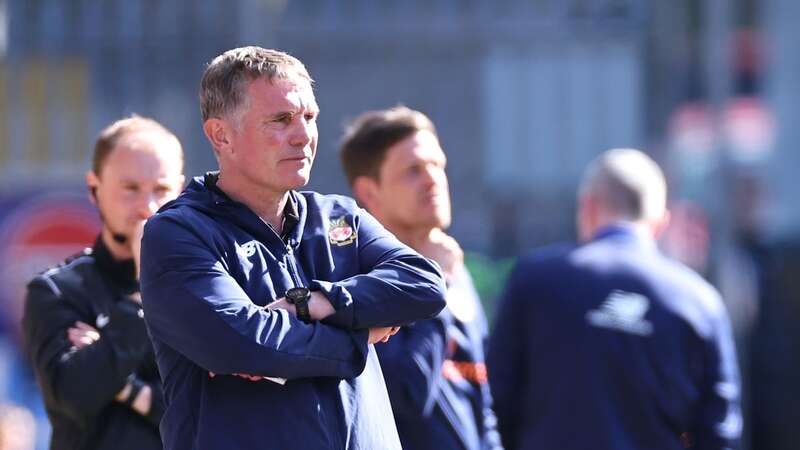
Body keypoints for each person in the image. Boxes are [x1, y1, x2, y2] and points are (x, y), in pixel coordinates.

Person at [138, 47, 447, 450]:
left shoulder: (339, 218)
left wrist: (315, 303)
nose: (303, 135)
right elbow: (246, 342)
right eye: (281, 120)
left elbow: (425, 283)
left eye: (309, 117)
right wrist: (359, 335)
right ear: (221, 135)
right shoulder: (178, 234)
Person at [487, 148, 742, 450]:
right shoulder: (700, 302)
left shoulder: (534, 279)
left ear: (588, 206)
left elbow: (496, 401)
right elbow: (719, 430)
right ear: (661, 222)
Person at [339, 106, 503, 450]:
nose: (433, 180)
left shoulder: (454, 268)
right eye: (413, 170)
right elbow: (405, 394)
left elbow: (480, 398)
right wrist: (435, 283)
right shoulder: (361, 281)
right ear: (369, 193)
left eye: (437, 165)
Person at [22, 116, 185, 449]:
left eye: (161, 189)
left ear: (180, 191)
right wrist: (144, 291)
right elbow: (73, 395)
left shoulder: (203, 286)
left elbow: (213, 409)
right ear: (94, 189)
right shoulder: (57, 291)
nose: (147, 207)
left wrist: (127, 387)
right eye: (130, 189)